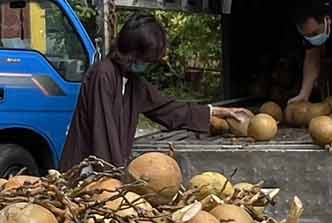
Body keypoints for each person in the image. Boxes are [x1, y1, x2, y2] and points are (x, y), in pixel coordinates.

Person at [59, 15, 247, 170]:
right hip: (85, 172)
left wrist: (215, 111)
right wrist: (115, 177)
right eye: (147, 59)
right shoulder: (103, 75)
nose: (148, 64)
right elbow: (103, 134)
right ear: (133, 52)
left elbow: (169, 109)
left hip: (109, 172)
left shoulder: (133, 82)